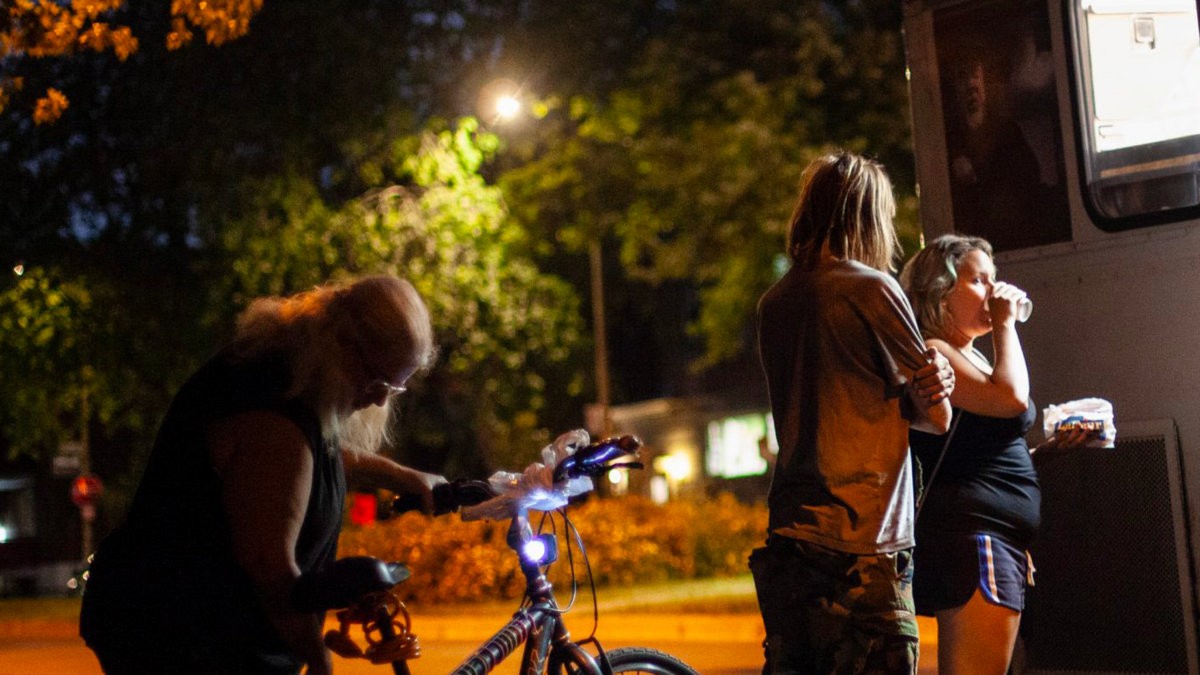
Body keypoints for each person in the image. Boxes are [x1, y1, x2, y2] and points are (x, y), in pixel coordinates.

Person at [80, 276, 448, 675]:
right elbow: (267, 564)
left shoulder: (296, 376)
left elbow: (310, 460)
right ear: (342, 342)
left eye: (394, 388)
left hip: (205, 632)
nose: (379, 399)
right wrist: (318, 659)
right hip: (182, 637)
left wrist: (404, 477)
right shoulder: (271, 403)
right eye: (377, 380)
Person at [752, 151, 956, 675]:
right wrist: (937, 381)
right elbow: (937, 417)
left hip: (791, 536)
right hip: (864, 537)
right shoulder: (873, 288)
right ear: (867, 216)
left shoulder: (774, 303)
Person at [899, 235, 1096, 675]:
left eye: (994, 279)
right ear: (941, 293)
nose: (993, 291)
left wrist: (1047, 451)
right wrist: (1007, 324)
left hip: (995, 537)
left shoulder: (970, 357)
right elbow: (1011, 397)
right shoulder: (935, 352)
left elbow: (980, 453)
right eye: (978, 280)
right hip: (976, 539)